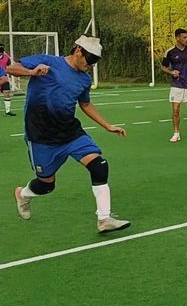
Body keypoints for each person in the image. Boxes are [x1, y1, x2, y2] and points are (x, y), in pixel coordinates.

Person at [7, 35, 130, 233]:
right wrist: (32, 72)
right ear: (78, 51)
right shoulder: (48, 62)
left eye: (95, 62)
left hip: (71, 133)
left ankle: (104, 219)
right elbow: (11, 68)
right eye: (90, 60)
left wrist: (107, 126)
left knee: (99, 166)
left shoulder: (84, 79)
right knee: (46, 185)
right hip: (41, 137)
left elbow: (85, 104)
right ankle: (23, 194)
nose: (91, 66)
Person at [160, 28, 187, 142]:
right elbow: (163, 67)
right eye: (184, 37)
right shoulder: (170, 52)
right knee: (175, 110)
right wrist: (171, 72)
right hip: (176, 85)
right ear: (178, 38)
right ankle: (176, 133)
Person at [0, 42, 17, 116]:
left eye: (2, 50)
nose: (1, 52)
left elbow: (8, 65)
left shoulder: (6, 57)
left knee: (7, 93)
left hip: (4, 78)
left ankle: (8, 111)